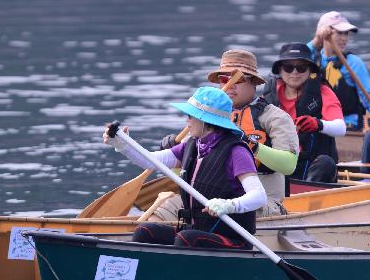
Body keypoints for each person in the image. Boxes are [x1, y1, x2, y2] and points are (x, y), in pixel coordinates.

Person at [103, 87, 266, 250]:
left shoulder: (236, 152)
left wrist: (230, 205)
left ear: (205, 120)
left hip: (231, 239)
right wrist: (123, 146)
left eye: (190, 116)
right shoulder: (192, 146)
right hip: (196, 232)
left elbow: (259, 197)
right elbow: (151, 161)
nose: (186, 121)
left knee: (186, 238)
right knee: (145, 232)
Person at [157, 49, 299, 218]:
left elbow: (288, 165)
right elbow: (181, 177)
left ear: (254, 82)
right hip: (208, 200)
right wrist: (175, 156)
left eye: (237, 79)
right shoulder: (208, 118)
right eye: (224, 79)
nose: (229, 85)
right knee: (168, 206)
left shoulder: (276, 117)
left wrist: (250, 144)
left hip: (261, 204)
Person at [261, 43, 346, 183]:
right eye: (288, 67)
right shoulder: (269, 94)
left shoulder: (322, 91)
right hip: (280, 164)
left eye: (301, 67)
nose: (294, 72)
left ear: (309, 70)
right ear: (280, 71)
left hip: (314, 165)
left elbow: (341, 128)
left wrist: (317, 124)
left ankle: (307, 193)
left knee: (326, 163)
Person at [308, 11, 370, 130]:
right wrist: (317, 39)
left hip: (347, 124)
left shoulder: (354, 63)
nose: (344, 39)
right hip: (316, 123)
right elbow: (295, 59)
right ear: (324, 33)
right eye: (339, 33)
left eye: (346, 34)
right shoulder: (311, 58)